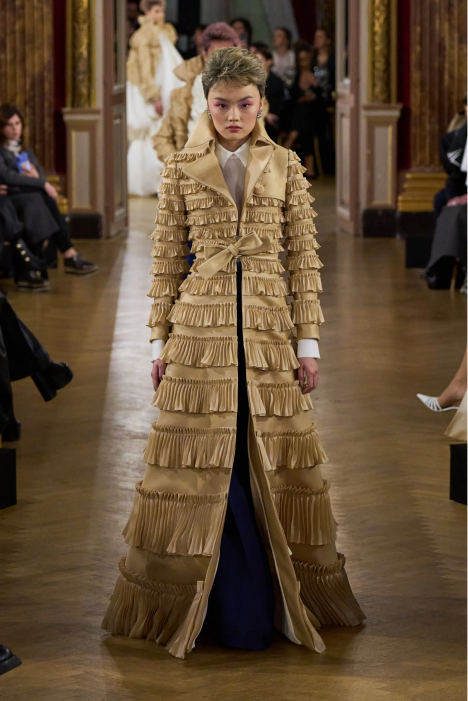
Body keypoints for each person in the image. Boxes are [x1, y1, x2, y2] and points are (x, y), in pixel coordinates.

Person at [103, 46, 364, 659]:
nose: (234, 116)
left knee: (270, 460)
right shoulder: (181, 169)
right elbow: (167, 260)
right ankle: (216, 604)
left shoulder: (288, 167)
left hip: (271, 335)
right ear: (206, 104)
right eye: (221, 105)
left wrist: (309, 344)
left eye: (245, 104)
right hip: (199, 335)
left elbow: (304, 262)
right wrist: (159, 340)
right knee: (202, 466)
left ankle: (275, 601)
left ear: (262, 103)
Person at [0, 105, 98, 289]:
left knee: (41, 199)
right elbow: (8, 177)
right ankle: (68, 255)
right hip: (9, 198)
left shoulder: (26, 151)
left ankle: (43, 264)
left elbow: (39, 178)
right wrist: (40, 183)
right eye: (9, 125)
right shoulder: (1, 152)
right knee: (39, 199)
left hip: (26, 196)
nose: (15, 129)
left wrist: (37, 177)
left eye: (18, 123)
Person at [153, 23, 239, 164]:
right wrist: (178, 165)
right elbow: (162, 138)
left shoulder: (248, 96)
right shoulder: (184, 95)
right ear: (204, 54)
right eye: (216, 55)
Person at [126, 0, 184, 195]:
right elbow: (145, 67)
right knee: (151, 134)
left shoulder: (163, 33)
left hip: (165, 86)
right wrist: (152, 95)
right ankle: (153, 180)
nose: (161, 15)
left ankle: (163, 180)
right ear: (148, 12)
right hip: (150, 90)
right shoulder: (143, 36)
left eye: (162, 11)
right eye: (157, 11)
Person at [283, 46, 326, 179]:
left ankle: (290, 140)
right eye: (301, 60)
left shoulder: (315, 75)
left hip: (314, 115)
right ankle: (309, 166)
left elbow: (320, 99)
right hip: (295, 115)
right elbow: (292, 98)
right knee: (304, 115)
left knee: (305, 114)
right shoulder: (294, 77)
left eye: (306, 59)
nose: (304, 63)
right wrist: (303, 95)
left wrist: (313, 85)